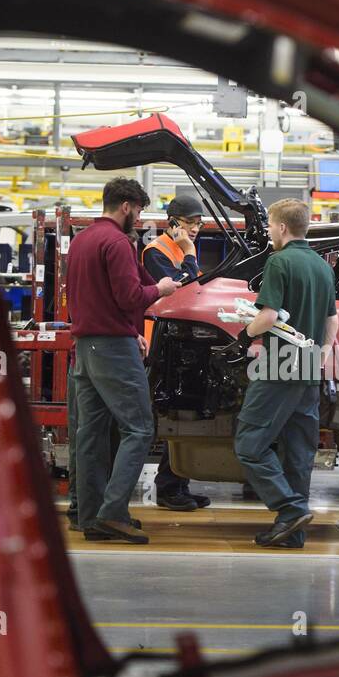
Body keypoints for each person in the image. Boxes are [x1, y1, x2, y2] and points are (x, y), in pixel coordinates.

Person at [66, 176, 176, 544]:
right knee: (139, 428)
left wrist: (132, 331)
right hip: (112, 349)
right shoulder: (116, 242)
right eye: (140, 210)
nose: (140, 219)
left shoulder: (82, 240)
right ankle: (112, 513)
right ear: (126, 206)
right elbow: (131, 296)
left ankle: (87, 514)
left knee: (90, 433)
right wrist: (160, 289)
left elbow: (100, 296)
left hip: (85, 348)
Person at [233, 199, 338, 549]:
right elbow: (332, 320)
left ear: (281, 227)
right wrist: (319, 356)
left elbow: (268, 317)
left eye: (270, 227)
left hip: (279, 367)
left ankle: (289, 509)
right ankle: (292, 533)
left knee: (249, 443)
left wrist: (245, 332)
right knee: (299, 453)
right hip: (309, 369)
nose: (268, 233)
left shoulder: (279, 262)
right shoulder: (323, 267)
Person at [141, 196, 212, 512]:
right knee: (172, 416)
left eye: (198, 223)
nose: (195, 229)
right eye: (190, 222)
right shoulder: (156, 252)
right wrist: (190, 254)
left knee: (184, 415)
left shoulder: (178, 250)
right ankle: (169, 488)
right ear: (173, 222)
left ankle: (178, 483)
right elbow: (186, 286)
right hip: (161, 342)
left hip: (182, 342)